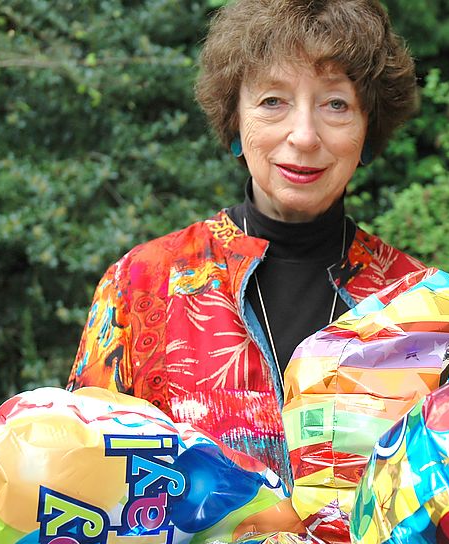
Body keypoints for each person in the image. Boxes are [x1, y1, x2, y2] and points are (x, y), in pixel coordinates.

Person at [67, 0, 425, 489]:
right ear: (236, 120)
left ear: (368, 131)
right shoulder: (142, 285)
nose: (303, 136)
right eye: (273, 101)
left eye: (336, 104)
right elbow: (83, 486)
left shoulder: (418, 306)